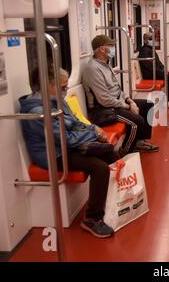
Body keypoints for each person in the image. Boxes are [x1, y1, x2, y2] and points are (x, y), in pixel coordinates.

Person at [20, 66, 117, 238]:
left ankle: (113, 198)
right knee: (99, 168)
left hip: (67, 147)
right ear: (46, 85)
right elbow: (65, 139)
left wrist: (94, 129)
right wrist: (92, 134)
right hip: (52, 154)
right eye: (62, 87)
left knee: (110, 153)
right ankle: (92, 219)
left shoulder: (56, 100)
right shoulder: (38, 113)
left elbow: (75, 122)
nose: (65, 91)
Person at [82, 35, 159, 153]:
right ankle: (126, 151)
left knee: (148, 105)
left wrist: (130, 101)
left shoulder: (106, 65)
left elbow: (117, 89)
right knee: (137, 121)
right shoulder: (93, 69)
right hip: (103, 110)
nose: (114, 48)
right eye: (111, 46)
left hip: (115, 104)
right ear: (102, 49)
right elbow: (104, 99)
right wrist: (127, 107)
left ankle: (139, 142)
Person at [138, 32, 169, 108]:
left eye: (153, 39)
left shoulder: (151, 49)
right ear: (145, 40)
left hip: (156, 72)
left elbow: (158, 62)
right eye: (151, 39)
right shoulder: (144, 51)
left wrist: (164, 69)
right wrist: (162, 72)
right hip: (150, 75)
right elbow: (150, 67)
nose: (153, 41)